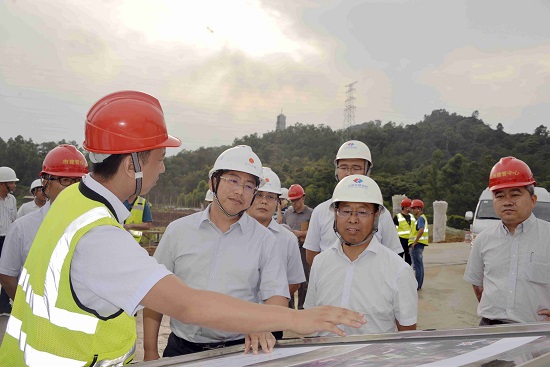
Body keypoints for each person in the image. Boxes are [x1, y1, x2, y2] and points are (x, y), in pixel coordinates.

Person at [0, 91, 365, 366]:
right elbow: (188, 304)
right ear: (132, 164)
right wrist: (297, 319)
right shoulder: (100, 237)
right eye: (159, 159)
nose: (162, 170)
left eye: (249, 184)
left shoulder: (71, 202)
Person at [144, 145, 291, 359]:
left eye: (249, 186)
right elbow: (154, 293)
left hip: (239, 350)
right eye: (233, 180)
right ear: (213, 181)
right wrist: (149, 351)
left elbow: (277, 295)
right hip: (182, 349)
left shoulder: (265, 240)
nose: (240, 191)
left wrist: (264, 323)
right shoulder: (179, 231)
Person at [304, 175, 418, 335]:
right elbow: (311, 319)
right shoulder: (320, 263)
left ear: (376, 216)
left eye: (362, 212)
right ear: (335, 214)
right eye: (345, 211)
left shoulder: (398, 271)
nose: (353, 219)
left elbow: (407, 335)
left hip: (375, 359)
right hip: (324, 358)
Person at [464, 156, 550, 325]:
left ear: (533, 200)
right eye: (499, 196)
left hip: (537, 332)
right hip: (490, 330)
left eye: (515, 194)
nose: (507, 202)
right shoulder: (483, 240)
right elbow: (477, 283)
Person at [0, 144, 88, 302]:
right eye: (65, 180)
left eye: (78, 181)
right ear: (45, 181)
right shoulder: (23, 228)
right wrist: (25, 308)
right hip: (35, 323)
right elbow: (7, 276)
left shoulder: (95, 224)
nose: (73, 188)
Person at [304, 140, 402, 267]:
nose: (348, 173)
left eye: (356, 168)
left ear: (368, 172)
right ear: (336, 171)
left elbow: (394, 255)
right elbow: (312, 256)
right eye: (343, 167)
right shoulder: (320, 211)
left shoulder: (381, 214)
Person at [247, 167, 306, 332]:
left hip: (272, 320)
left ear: (278, 202)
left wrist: (271, 300)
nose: (264, 201)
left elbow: (294, 281)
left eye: (271, 197)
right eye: (259, 195)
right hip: (238, 317)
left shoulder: (287, 238)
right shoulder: (232, 233)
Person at [282, 183, 313, 310]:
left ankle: (301, 308)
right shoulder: (288, 213)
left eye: (296, 200)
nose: (294, 203)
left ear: (303, 197)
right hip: (289, 250)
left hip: (303, 249)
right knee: (288, 279)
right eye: (292, 201)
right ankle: (288, 308)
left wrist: (299, 233)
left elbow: (315, 233)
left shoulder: (311, 213)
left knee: (304, 280)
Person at [0, 166, 19, 316]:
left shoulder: (12, 199)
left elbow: (14, 219)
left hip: (7, 239)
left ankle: (4, 305)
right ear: (2, 184)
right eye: (11, 183)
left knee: (9, 272)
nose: (14, 185)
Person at [409, 199, 428, 290]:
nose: (412, 210)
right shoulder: (422, 218)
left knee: (417, 266)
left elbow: (421, 230)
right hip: (419, 245)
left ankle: (417, 285)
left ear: (419, 209)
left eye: (414, 208)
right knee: (419, 266)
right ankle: (419, 284)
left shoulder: (420, 218)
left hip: (417, 245)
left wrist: (415, 242)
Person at [393, 198, 414, 265]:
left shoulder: (412, 217)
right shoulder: (397, 217)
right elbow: (393, 229)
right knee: (399, 258)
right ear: (405, 207)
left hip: (410, 241)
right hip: (400, 240)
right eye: (410, 207)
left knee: (409, 260)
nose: (411, 208)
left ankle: (407, 273)